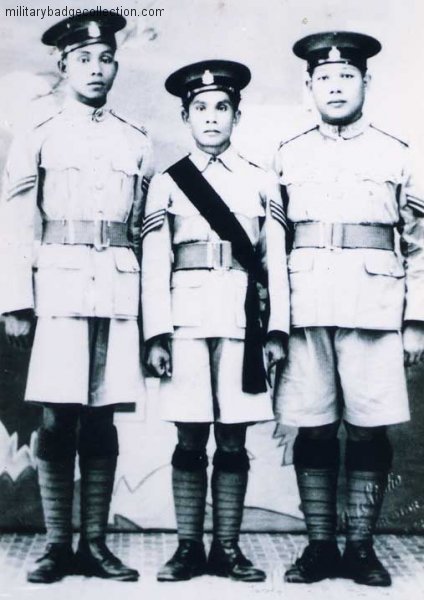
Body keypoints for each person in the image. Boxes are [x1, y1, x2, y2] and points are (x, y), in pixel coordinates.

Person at [0, 14, 153, 583]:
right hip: (58, 290)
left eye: (106, 58)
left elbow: (142, 229)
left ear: (116, 66)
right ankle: (55, 545)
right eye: (83, 59)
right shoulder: (39, 135)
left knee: (103, 416)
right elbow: (16, 223)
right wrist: (16, 301)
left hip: (117, 289)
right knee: (57, 414)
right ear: (63, 65)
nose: (96, 69)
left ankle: (95, 544)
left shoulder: (136, 140)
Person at [273, 31, 424, 587]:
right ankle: (319, 547)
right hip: (307, 309)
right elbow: (273, 245)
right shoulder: (287, 154)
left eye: (346, 76)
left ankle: (360, 548)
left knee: (367, 430)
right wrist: (276, 322)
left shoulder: (398, 154)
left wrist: (416, 320)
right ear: (309, 85)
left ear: (366, 81)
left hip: (374, 310)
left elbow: (420, 243)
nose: (335, 87)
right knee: (313, 428)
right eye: (324, 78)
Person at [141, 60, 289, 582]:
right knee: (188, 436)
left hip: (241, 323)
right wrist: (156, 335)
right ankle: (188, 548)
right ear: (185, 116)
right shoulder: (167, 183)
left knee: (232, 439)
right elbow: (155, 263)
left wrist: (277, 330)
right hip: (185, 321)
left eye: (221, 107)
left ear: (236, 116)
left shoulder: (261, 181)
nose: (210, 117)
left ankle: (227, 547)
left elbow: (275, 263)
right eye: (200, 108)